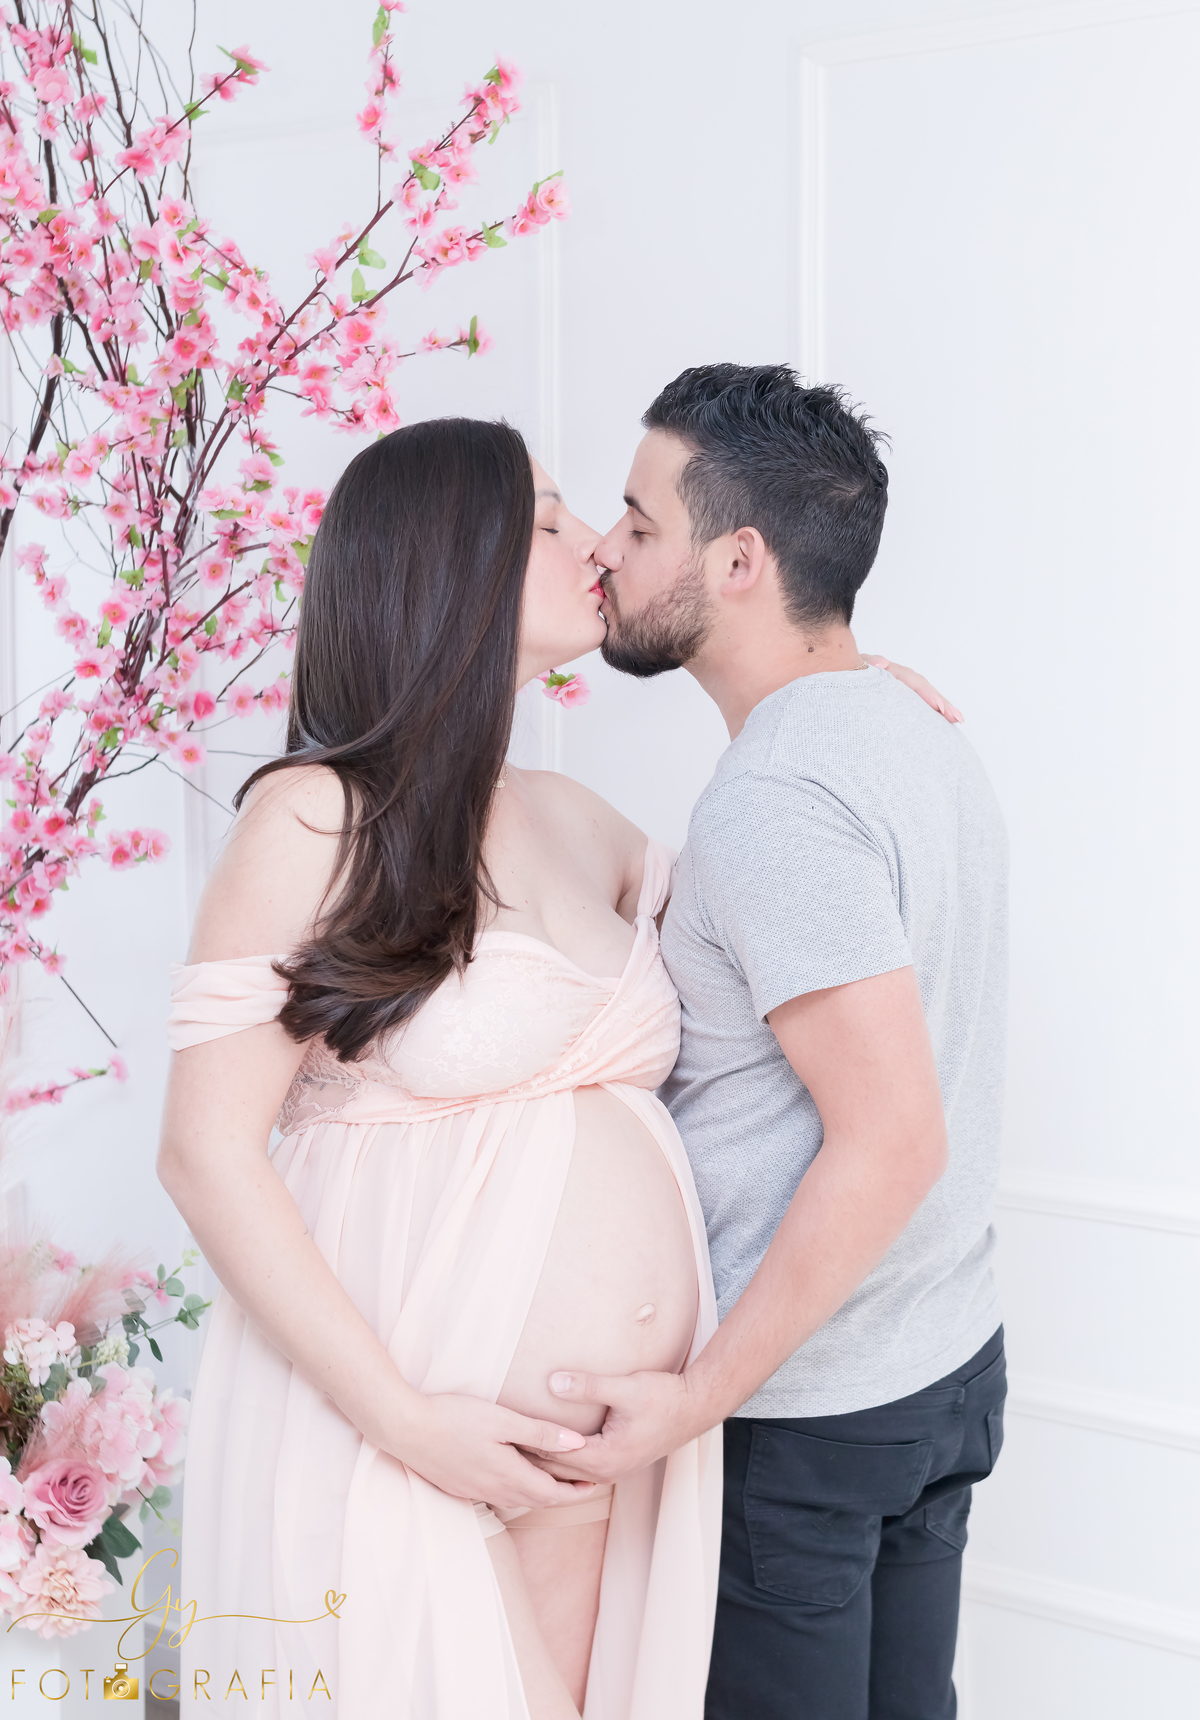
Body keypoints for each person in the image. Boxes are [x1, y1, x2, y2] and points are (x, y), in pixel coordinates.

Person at [157, 418, 724, 1720]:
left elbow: (770, 926)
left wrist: (838, 710)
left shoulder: (581, 821)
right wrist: (408, 1420)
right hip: (401, 1432)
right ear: (444, 564)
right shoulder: (316, 816)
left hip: (602, 1466)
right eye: (547, 519)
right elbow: (204, 1151)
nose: (596, 543)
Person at [540, 364, 1009, 1720]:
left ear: (737, 561)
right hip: (935, 1367)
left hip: (812, 1418)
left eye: (637, 522)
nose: (607, 554)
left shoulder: (780, 795)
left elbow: (891, 1140)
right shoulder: (910, 725)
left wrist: (693, 1404)